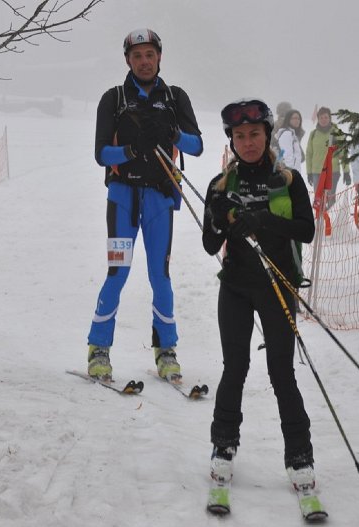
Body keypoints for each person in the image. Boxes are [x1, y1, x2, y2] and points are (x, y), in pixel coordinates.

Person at [202, 98, 317, 493]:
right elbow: (209, 244)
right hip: (235, 287)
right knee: (234, 368)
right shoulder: (220, 186)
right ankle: (223, 446)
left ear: (267, 136)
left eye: (254, 134)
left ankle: (300, 454)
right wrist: (219, 218)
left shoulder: (289, 180)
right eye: (239, 136)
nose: (247, 142)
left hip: (277, 286)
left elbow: (306, 230)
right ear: (231, 141)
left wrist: (264, 219)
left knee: (281, 372)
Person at [87, 28, 203, 382]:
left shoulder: (175, 97)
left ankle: (166, 350)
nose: (144, 62)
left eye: (149, 54)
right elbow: (101, 154)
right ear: (128, 60)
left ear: (159, 57)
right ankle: (98, 348)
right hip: (123, 197)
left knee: (160, 276)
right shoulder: (114, 98)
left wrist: (172, 134)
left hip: (158, 199)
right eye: (137, 56)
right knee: (117, 273)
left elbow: (197, 145)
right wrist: (133, 149)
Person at [305, 106, 350, 208]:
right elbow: (309, 154)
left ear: (330, 118)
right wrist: (309, 172)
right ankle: (319, 216)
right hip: (317, 172)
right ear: (318, 119)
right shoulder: (313, 134)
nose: (323, 120)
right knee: (318, 199)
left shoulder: (337, 133)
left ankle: (329, 216)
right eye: (321, 117)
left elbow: (343, 153)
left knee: (330, 199)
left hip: (332, 171)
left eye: (326, 117)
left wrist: (346, 171)